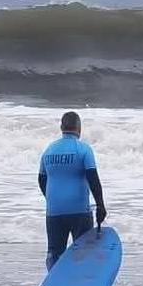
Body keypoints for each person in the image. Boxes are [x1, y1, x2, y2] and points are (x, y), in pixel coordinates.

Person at [38, 111, 107, 270]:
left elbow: (41, 179)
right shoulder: (83, 149)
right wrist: (100, 206)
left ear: (61, 127)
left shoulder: (49, 150)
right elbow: (93, 178)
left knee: (55, 253)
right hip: (79, 211)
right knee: (83, 254)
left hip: (54, 211)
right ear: (79, 127)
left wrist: (51, 199)